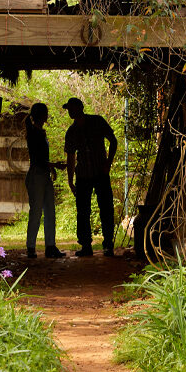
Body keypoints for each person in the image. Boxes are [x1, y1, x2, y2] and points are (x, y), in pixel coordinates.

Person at [63, 97, 117, 257]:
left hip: (101, 171)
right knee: (82, 211)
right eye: (68, 110)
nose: (70, 112)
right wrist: (70, 180)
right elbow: (71, 157)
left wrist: (109, 163)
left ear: (80, 108)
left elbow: (113, 141)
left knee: (106, 208)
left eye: (72, 108)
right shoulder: (71, 131)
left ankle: (108, 245)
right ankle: (86, 245)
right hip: (83, 174)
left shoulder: (97, 121)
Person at [24, 103, 66, 259]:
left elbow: (42, 159)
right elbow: (37, 159)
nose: (48, 116)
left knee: (50, 210)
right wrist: (54, 165)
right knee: (36, 211)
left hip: (43, 175)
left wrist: (52, 168)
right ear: (42, 115)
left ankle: (50, 246)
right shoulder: (34, 133)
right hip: (36, 176)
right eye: (46, 113)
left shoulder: (40, 132)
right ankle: (31, 247)